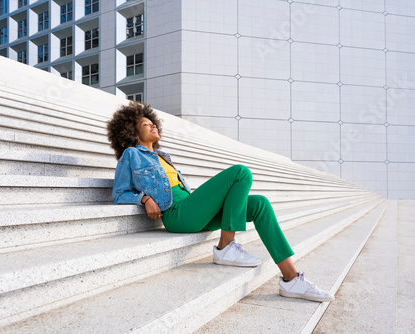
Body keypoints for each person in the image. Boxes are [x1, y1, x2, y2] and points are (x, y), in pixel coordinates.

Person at [107, 102, 334, 302]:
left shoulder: (163, 156)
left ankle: (291, 278)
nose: (153, 126)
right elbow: (120, 193)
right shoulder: (131, 155)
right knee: (240, 172)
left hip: (193, 211)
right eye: (146, 125)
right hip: (177, 215)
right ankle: (226, 247)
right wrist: (145, 198)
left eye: (153, 123)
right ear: (134, 134)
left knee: (260, 204)